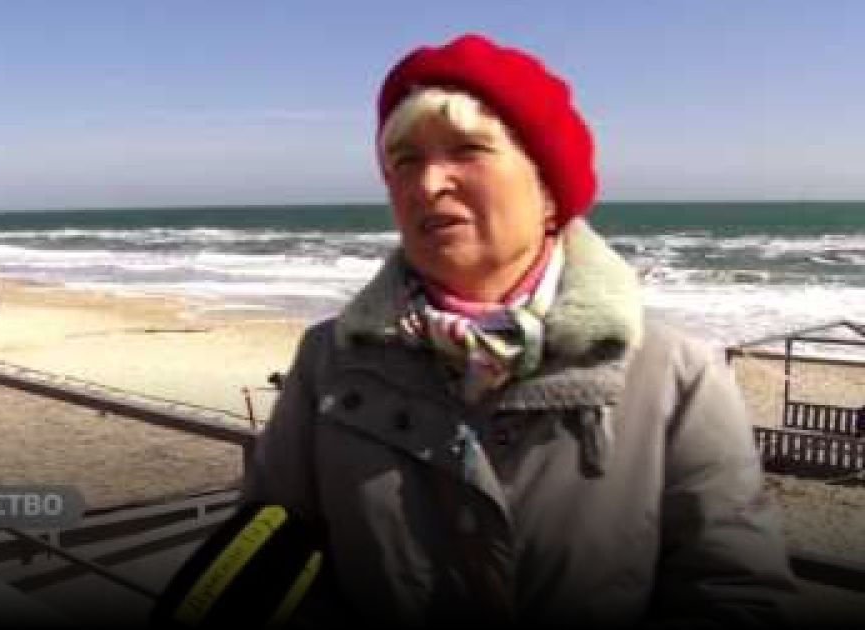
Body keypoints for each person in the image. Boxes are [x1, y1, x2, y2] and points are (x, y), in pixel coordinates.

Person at [241, 33, 798, 627]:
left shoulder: (673, 373)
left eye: (467, 150)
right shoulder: (329, 359)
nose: (428, 184)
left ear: (549, 191)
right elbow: (267, 564)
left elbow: (736, 591)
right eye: (405, 161)